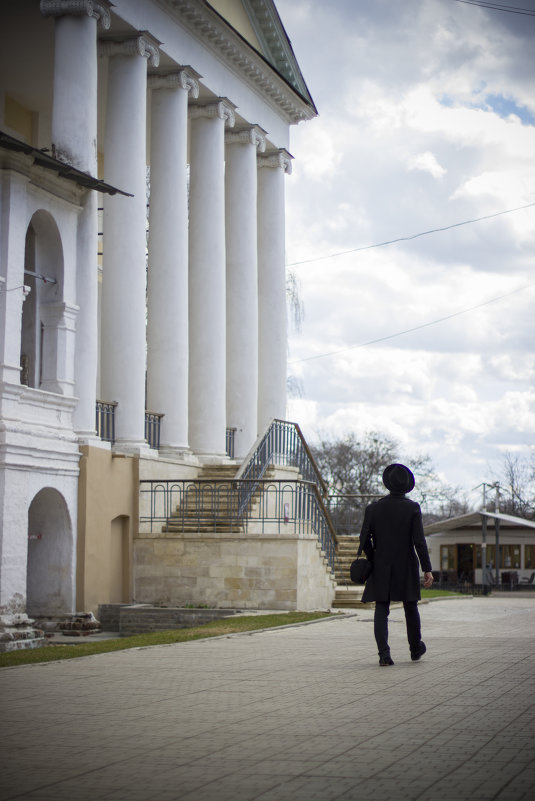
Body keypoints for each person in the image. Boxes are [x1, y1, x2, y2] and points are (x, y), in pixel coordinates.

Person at [359, 463, 433, 666]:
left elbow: (364, 539)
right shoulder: (412, 508)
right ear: (406, 486)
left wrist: (373, 556)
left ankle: (384, 655)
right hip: (406, 564)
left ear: (387, 484)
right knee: (410, 607)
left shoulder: (373, 509)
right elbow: (419, 541)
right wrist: (427, 569)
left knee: (381, 608)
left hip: (381, 563)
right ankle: (415, 649)